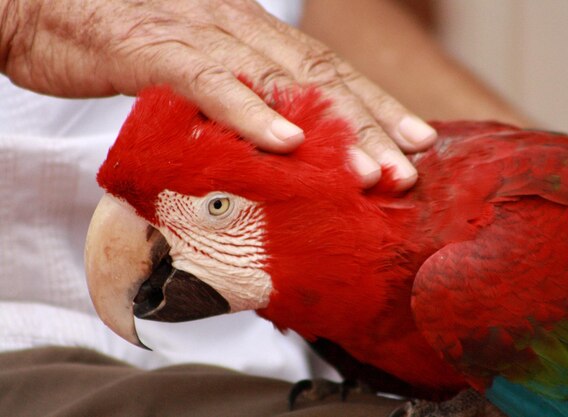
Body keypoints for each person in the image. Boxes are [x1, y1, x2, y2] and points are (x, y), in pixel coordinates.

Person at [0, 0, 525, 415]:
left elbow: (309, 14)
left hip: (291, 372)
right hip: (33, 352)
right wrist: (16, 18)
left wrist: (523, 232)